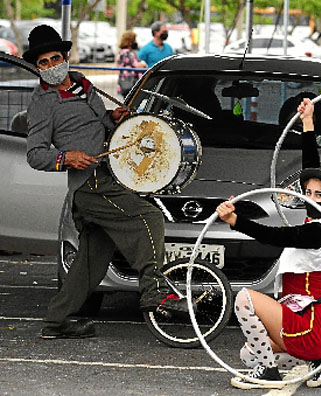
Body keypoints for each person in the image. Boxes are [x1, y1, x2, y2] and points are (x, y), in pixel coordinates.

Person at [23, 24, 188, 340]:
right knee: (149, 216)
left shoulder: (84, 85)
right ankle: (153, 291)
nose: (50, 67)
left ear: (66, 57)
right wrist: (66, 158)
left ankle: (55, 322)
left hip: (107, 176)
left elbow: (98, 123)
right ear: (38, 67)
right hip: (90, 186)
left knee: (90, 262)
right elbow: (35, 154)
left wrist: (113, 118)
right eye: (43, 63)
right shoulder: (42, 101)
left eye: (54, 59)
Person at [216, 98, 321, 389]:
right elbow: (311, 168)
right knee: (247, 353)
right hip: (311, 326)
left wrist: (236, 220)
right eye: (307, 192)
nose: (309, 198)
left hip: (312, 324)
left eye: (319, 195)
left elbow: (275, 237)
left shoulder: (320, 232)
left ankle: (270, 373)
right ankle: (315, 362)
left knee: (244, 299)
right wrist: (309, 123)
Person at [116, 30, 147, 98]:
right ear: (130, 41)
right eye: (134, 40)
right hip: (131, 83)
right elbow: (137, 65)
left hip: (123, 83)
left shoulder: (120, 52)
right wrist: (143, 63)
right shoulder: (128, 53)